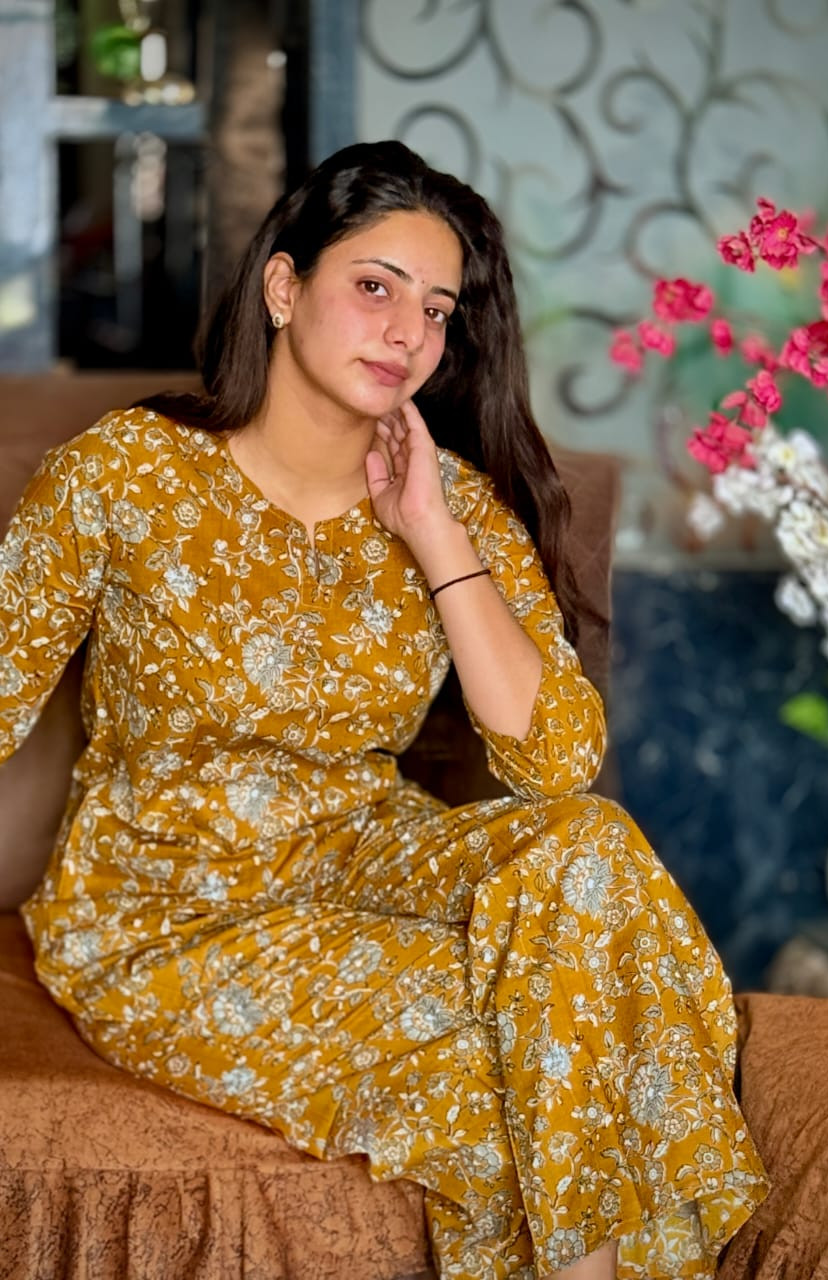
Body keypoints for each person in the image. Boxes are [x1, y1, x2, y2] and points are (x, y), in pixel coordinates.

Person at [0, 140, 767, 1278]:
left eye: (436, 310)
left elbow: (556, 763)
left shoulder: (451, 504)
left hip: (362, 858)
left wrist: (431, 531)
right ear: (283, 287)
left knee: (589, 847)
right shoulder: (126, 476)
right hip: (167, 918)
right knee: (539, 1054)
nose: (407, 332)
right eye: (374, 286)